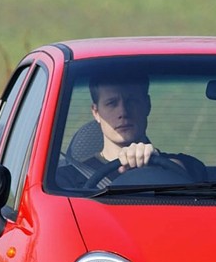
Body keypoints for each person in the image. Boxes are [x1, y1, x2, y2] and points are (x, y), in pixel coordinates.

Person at [57, 71, 206, 187]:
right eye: (112, 103)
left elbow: (194, 175)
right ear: (96, 112)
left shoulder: (187, 167)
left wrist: (156, 162)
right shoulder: (66, 181)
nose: (123, 112)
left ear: (147, 105)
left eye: (132, 101)